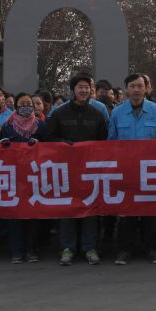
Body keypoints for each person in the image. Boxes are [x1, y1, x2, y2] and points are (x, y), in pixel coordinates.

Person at [46, 73, 108, 266]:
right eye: (80, 87)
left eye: (87, 87)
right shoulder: (59, 114)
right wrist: (63, 144)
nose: (84, 90)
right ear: (72, 90)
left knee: (90, 208)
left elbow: (104, 142)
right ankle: (67, 248)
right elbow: (49, 139)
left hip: (90, 171)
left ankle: (90, 247)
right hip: (66, 171)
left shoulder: (97, 114)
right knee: (68, 209)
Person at [108, 73, 156, 265]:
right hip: (125, 169)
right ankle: (125, 250)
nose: (136, 90)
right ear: (126, 89)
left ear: (146, 88)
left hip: (149, 170)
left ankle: (152, 249)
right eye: (132, 86)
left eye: (140, 86)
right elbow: (111, 142)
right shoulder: (117, 112)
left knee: (149, 212)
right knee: (127, 212)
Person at [0, 93, 49, 263]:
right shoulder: (8, 126)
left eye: (29, 104)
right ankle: (17, 250)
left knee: (33, 215)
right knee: (15, 215)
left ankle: (32, 249)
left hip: (35, 176)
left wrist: (39, 145)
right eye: (22, 104)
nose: (26, 106)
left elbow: (51, 147)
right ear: (16, 106)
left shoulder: (41, 125)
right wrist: (3, 144)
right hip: (14, 177)